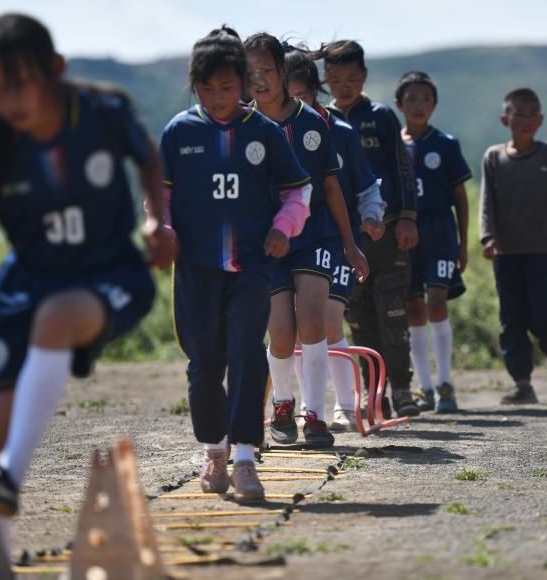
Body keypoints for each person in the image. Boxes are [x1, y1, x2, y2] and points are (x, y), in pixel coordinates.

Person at [0, 13, 171, 548]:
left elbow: (147, 157)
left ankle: (11, 475)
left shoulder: (101, 112)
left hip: (111, 274)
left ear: (55, 70)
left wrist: (156, 221)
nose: (11, 101)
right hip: (24, 287)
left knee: (58, 317)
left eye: (21, 84)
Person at [161, 26, 313, 501]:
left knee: (247, 354)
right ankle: (214, 450)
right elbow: (159, 197)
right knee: (205, 362)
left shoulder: (264, 134)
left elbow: (298, 190)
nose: (219, 97)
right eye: (208, 89)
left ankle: (246, 459)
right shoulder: (179, 132)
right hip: (196, 269)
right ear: (195, 85)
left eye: (228, 87)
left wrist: (283, 227)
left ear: (243, 83)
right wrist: (160, 231)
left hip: (251, 267)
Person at [243, 34, 368, 447]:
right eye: (250, 72)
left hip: (316, 235)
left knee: (313, 320)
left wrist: (350, 245)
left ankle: (315, 415)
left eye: (267, 71)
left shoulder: (314, 122)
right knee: (281, 331)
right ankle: (282, 404)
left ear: (283, 72)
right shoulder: (242, 125)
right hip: (268, 242)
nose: (258, 80)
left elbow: (332, 188)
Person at [284, 46, 386, 431]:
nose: (295, 104)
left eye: (302, 96)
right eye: (287, 96)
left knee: (328, 322)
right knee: (294, 325)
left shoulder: (340, 132)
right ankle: (308, 406)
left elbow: (365, 186)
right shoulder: (272, 129)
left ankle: (347, 405)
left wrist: (373, 216)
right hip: (290, 242)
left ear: (316, 91)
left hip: (332, 242)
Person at [321, 40, 421, 418]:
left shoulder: (381, 116)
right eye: (335, 79)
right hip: (347, 237)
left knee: (393, 314)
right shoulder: (322, 122)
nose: (344, 85)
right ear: (325, 80)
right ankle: (373, 395)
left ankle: (403, 389)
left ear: (363, 76)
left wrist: (408, 216)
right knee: (358, 319)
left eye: (351, 78)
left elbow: (402, 168)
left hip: (389, 233)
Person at [480, 88, 547, 404]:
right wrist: (487, 236)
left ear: (539, 121)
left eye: (531, 114)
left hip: (540, 252)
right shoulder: (493, 157)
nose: (524, 120)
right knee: (512, 320)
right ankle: (523, 383)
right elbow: (487, 204)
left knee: (542, 316)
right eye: (518, 114)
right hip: (506, 254)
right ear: (505, 118)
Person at [394, 71, 471, 413]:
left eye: (425, 99)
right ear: (399, 104)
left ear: (435, 104)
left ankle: (446, 383)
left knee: (437, 301)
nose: (419, 105)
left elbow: (460, 195)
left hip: (440, 230)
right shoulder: (393, 144)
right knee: (413, 307)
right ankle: (424, 386)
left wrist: (463, 242)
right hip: (405, 232)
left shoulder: (446, 144)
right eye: (411, 99)